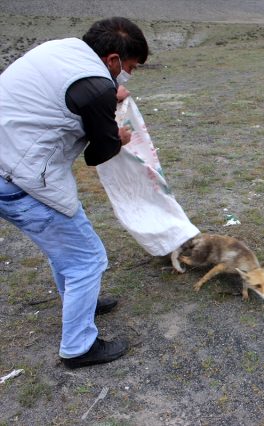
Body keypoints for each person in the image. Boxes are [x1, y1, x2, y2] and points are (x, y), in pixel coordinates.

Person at [0, 17, 149, 369]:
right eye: (129, 68)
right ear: (112, 60)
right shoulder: (96, 87)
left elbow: (68, 95)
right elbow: (98, 154)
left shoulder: (65, 48)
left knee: (66, 245)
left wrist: (108, 92)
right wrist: (120, 138)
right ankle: (79, 347)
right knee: (88, 258)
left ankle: (82, 299)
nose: (128, 75)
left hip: (11, 159)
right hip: (21, 178)